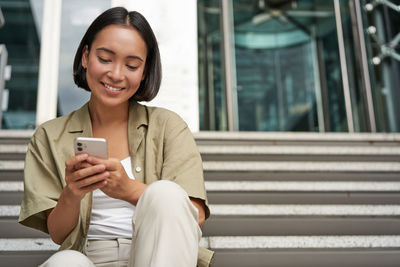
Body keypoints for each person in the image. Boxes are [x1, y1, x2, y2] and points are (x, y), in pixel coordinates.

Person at [18, 7, 214, 267]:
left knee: (166, 193)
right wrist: (72, 193)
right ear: (86, 56)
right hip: (87, 257)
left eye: (132, 65)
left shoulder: (168, 126)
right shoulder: (49, 137)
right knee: (65, 262)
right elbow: (58, 234)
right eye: (105, 58)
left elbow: (194, 216)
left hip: (159, 255)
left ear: (144, 72)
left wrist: (127, 189)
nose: (116, 74)